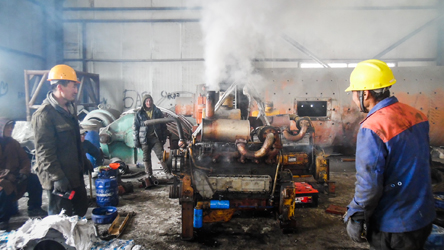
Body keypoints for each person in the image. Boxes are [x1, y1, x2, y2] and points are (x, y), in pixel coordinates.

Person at [343, 59, 435, 249]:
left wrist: (356, 215)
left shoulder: (372, 127)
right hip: (423, 215)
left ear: (365, 93)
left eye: (353, 92)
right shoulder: (416, 115)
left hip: (394, 224)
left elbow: (369, 184)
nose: (352, 98)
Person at [31, 64, 89, 217]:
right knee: (61, 219)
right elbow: (44, 152)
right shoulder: (44, 115)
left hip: (74, 173)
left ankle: (78, 240)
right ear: (60, 87)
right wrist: (58, 177)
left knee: (81, 210)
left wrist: (84, 160)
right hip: (59, 178)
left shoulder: (69, 109)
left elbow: (74, 140)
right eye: (73, 86)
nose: (76, 91)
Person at [0, 119, 46, 230]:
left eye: (11, 127)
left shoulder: (13, 143)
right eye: (8, 127)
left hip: (16, 175)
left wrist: (24, 172)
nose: (10, 129)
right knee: (5, 187)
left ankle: (34, 207)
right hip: (3, 178)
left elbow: (24, 159)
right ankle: (2, 219)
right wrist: (6, 175)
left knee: (34, 180)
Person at [133, 94, 171, 185]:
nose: (148, 102)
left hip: (155, 138)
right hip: (145, 139)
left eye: (150, 100)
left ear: (152, 101)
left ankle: (168, 174)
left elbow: (163, 126)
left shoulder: (157, 112)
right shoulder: (139, 114)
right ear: (144, 102)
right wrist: (136, 142)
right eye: (147, 101)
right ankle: (149, 176)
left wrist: (163, 138)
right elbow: (135, 128)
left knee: (162, 156)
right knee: (146, 158)